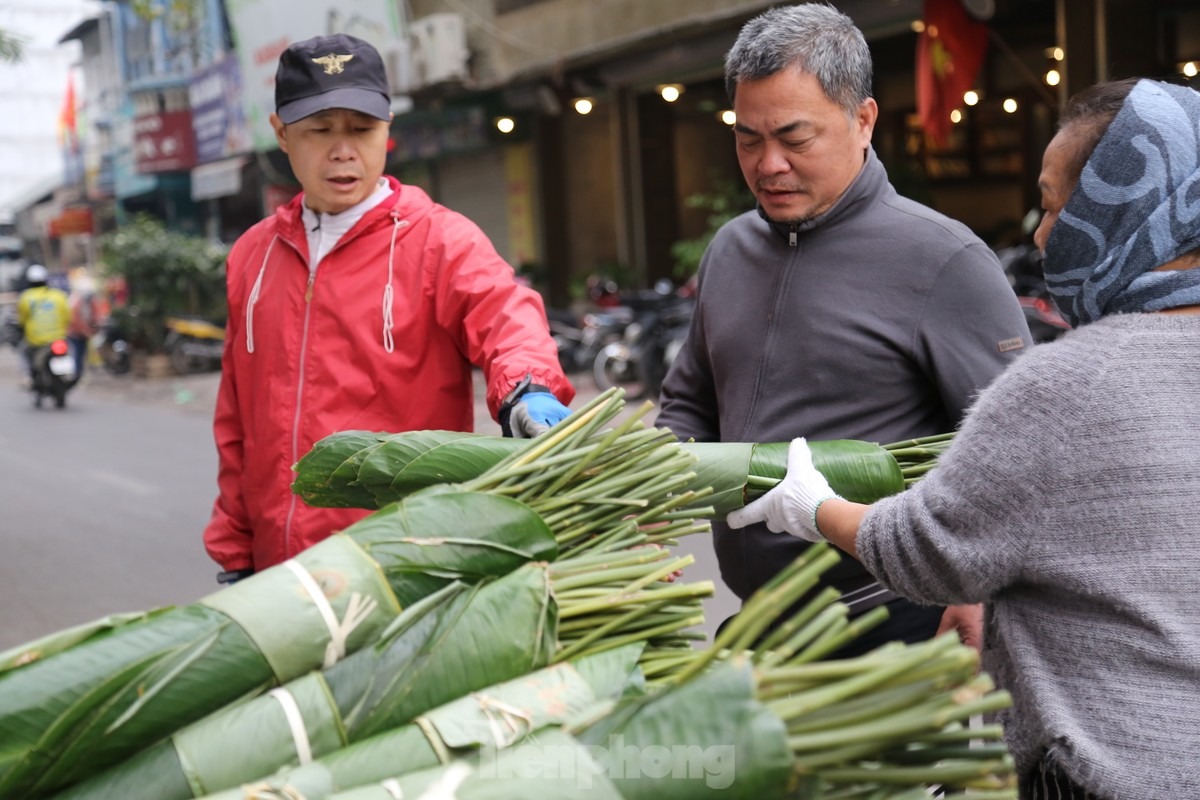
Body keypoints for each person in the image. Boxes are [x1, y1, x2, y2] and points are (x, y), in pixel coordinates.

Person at [729, 77, 1200, 799]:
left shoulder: (1063, 384)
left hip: (1110, 768)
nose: (1042, 235)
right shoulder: (731, 252)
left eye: (1053, 206)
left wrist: (810, 506)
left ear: (1124, 209)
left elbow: (931, 550)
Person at [656, 4, 1031, 655]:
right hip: (764, 624)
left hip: (897, 624)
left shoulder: (943, 261)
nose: (768, 164)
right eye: (748, 138)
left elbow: (1016, 453)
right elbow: (691, 400)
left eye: (795, 139)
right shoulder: (731, 249)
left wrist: (979, 590)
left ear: (864, 120)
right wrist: (646, 503)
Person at [204, 33, 574, 582]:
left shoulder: (440, 241)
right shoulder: (253, 256)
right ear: (282, 133)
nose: (343, 151)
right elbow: (238, 419)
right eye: (319, 131)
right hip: (281, 574)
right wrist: (237, 552)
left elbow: (506, 317)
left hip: (402, 565)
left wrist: (528, 388)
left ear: (388, 130)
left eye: (361, 129)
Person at [16, 264, 70, 383]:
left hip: (36, 340)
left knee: (23, 350)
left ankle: (29, 378)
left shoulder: (25, 297)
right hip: (58, 338)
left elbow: (22, 320)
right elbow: (67, 317)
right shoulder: (58, 295)